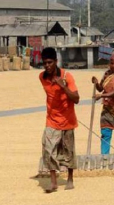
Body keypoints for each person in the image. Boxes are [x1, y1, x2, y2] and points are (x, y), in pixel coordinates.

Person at [39, 47, 80, 193]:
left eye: (50, 62)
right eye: (45, 63)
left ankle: (70, 179)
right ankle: (54, 182)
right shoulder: (42, 77)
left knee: (68, 151)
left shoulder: (67, 76)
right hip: (51, 120)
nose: (47, 66)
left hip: (68, 120)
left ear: (56, 61)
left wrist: (63, 87)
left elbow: (76, 99)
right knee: (48, 149)